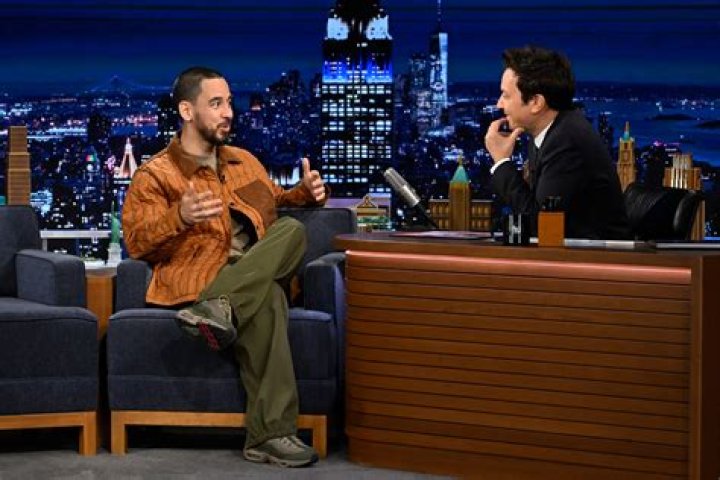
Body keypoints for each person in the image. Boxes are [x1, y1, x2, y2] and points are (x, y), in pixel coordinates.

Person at [122, 66, 327, 468]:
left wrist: (303, 194)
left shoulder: (244, 162)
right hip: (202, 276)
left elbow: (274, 200)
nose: (228, 112)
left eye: (229, 102)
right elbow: (137, 242)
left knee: (290, 230)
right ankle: (271, 436)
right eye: (216, 104)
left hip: (248, 270)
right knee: (269, 297)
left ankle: (221, 307)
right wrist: (179, 217)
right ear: (186, 111)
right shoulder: (155, 176)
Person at [485, 45, 630, 239]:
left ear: (536, 102)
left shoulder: (566, 142)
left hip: (595, 256)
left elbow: (539, 226)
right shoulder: (551, 131)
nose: (499, 104)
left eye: (506, 95)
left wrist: (501, 162)